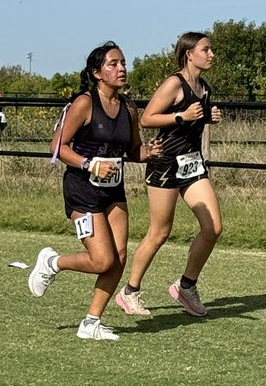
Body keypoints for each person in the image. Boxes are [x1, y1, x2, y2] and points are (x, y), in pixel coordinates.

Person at [26, 42, 160, 341]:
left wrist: (149, 152)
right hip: (81, 188)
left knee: (120, 257)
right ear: (97, 73)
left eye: (123, 62)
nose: (122, 68)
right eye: (113, 64)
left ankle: (91, 323)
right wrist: (89, 164)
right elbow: (57, 147)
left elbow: (133, 150)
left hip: (114, 190)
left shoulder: (128, 107)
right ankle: (52, 262)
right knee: (102, 260)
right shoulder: (84, 103)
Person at [116, 31, 223, 318]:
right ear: (190, 54)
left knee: (213, 228)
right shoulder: (174, 84)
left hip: (192, 164)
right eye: (206, 49)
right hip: (165, 163)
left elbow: (192, 120)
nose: (211, 54)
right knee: (160, 232)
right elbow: (148, 118)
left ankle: (186, 286)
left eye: (211, 50)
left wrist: (207, 117)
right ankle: (130, 292)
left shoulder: (204, 87)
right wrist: (181, 116)